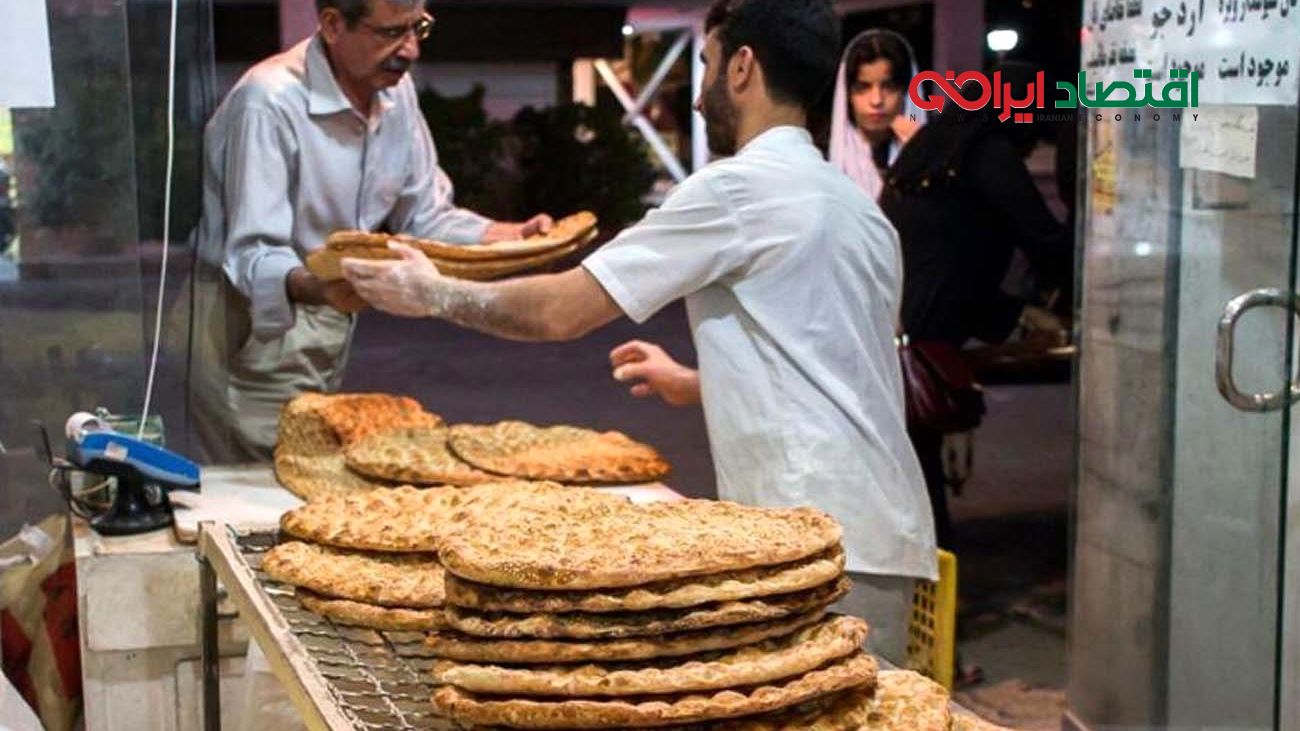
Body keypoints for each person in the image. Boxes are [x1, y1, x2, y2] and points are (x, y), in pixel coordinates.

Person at [342, 0, 937, 663]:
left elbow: (561, 310)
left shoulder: (737, 190)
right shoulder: (858, 209)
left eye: (707, 64)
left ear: (742, 68)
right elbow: (836, 362)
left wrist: (434, 292)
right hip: (887, 534)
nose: (700, 93)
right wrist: (699, 381)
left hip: (809, 537)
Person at [189, 0, 551, 463]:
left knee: (309, 470)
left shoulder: (395, 93)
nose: (411, 50)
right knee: (265, 482)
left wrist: (509, 236)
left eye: (419, 28)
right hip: (252, 318)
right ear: (333, 25)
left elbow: (424, 215)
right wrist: (322, 287)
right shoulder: (268, 102)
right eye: (391, 33)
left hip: (329, 306)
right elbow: (252, 252)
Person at [876, 64, 1072, 552]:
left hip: (889, 326)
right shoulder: (988, 154)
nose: (1036, 138)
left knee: (911, 480)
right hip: (922, 340)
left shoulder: (927, 150)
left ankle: (922, 576)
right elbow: (1043, 238)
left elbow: (946, 254)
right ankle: (928, 582)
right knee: (921, 484)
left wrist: (1014, 314)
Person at [828, 29, 925, 200]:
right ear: (847, 94)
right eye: (863, 88)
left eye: (889, 87)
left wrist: (921, 155)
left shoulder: (935, 157)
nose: (876, 100)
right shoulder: (822, 159)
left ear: (906, 92)